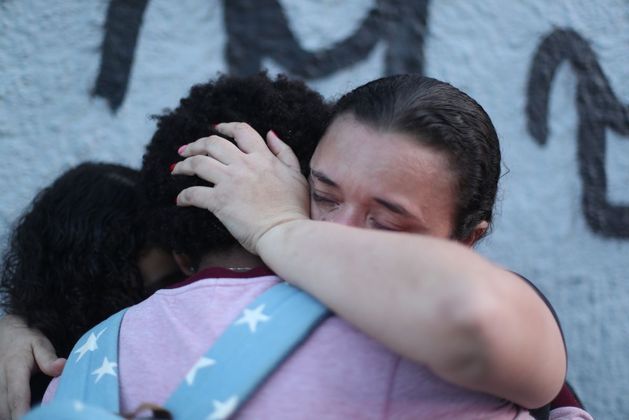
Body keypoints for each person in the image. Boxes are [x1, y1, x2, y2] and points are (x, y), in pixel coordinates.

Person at [40, 74, 580, 419]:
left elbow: (473, 314)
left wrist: (282, 229)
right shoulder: (95, 352)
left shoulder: (474, 330)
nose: (336, 236)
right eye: (321, 196)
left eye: (387, 224)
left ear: (468, 239)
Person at [0, 162, 181, 418]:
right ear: (83, 291)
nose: (166, 303)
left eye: (175, 282)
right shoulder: (27, 375)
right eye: (145, 294)